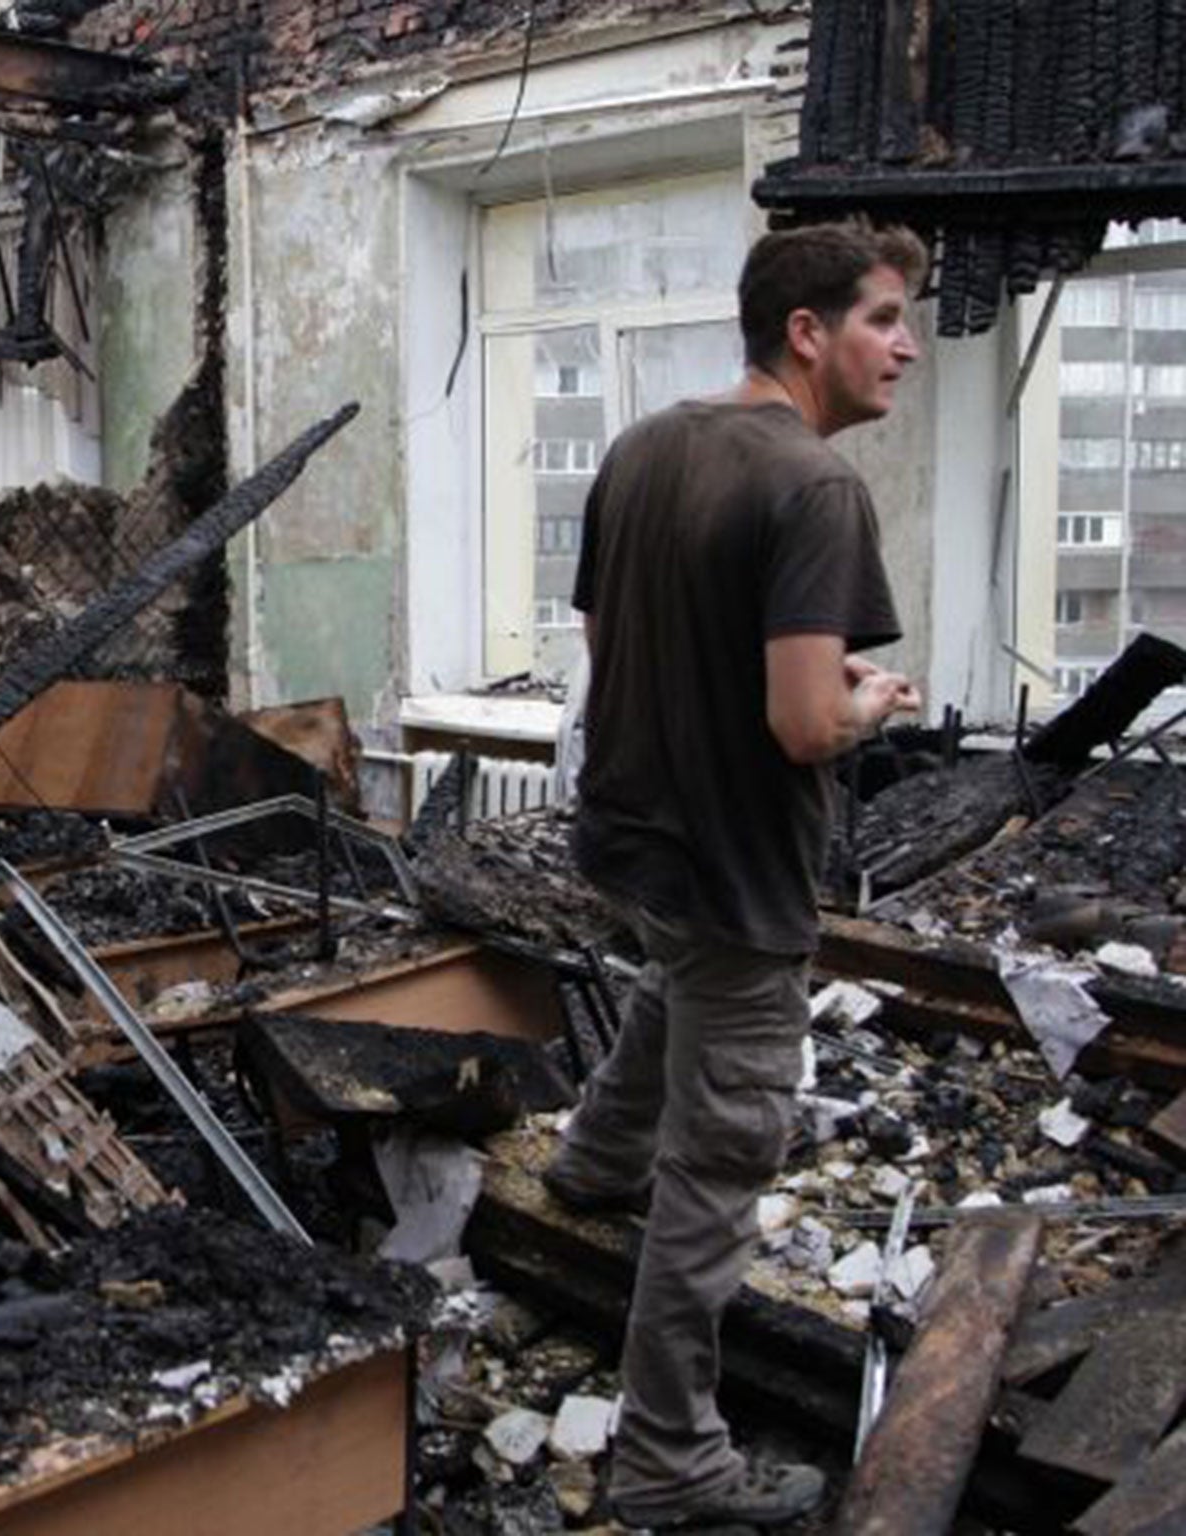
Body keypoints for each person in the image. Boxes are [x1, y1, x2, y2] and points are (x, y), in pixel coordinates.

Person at [542, 219, 927, 1532]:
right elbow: (805, 726)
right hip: (736, 866)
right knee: (718, 1163)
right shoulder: (815, 488)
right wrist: (870, 702)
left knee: (674, 977)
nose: (907, 347)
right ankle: (666, 1462)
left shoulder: (647, 446)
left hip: (631, 840)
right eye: (883, 320)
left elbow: (611, 639)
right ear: (806, 332)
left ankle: (591, 1162)